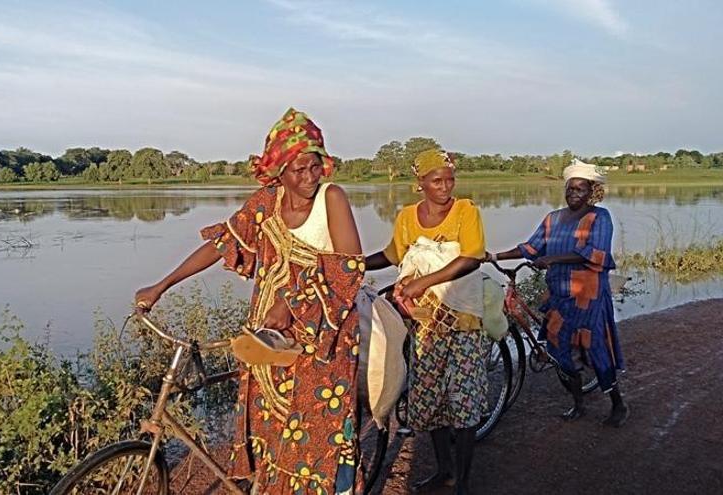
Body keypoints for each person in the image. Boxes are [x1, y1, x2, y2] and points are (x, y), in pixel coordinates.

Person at [134, 108, 365, 494]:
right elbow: (222, 245)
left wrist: (291, 304)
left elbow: (350, 269)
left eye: (315, 167)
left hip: (323, 341)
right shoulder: (265, 204)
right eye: (298, 170)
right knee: (271, 430)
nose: (309, 178)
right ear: (278, 172)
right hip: (267, 337)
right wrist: (162, 285)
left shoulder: (332, 199)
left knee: (318, 437)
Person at [364, 150, 486, 495]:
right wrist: (354, 264)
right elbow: (392, 255)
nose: (445, 187)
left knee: (463, 402)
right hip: (426, 325)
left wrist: (422, 282)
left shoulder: (466, 211)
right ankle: (444, 471)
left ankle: (462, 482)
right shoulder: (406, 217)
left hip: (463, 324)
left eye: (449, 179)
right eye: (436, 180)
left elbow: (472, 258)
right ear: (420, 183)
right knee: (431, 400)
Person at [487, 159, 629, 427]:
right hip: (559, 296)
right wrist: (493, 255)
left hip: (589, 297)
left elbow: (594, 253)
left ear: (592, 192)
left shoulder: (600, 217)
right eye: (570, 188)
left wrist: (553, 259)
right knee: (559, 351)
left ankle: (618, 404)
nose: (574, 194)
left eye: (581, 189)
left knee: (595, 347)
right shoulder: (553, 219)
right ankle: (578, 403)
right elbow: (531, 247)